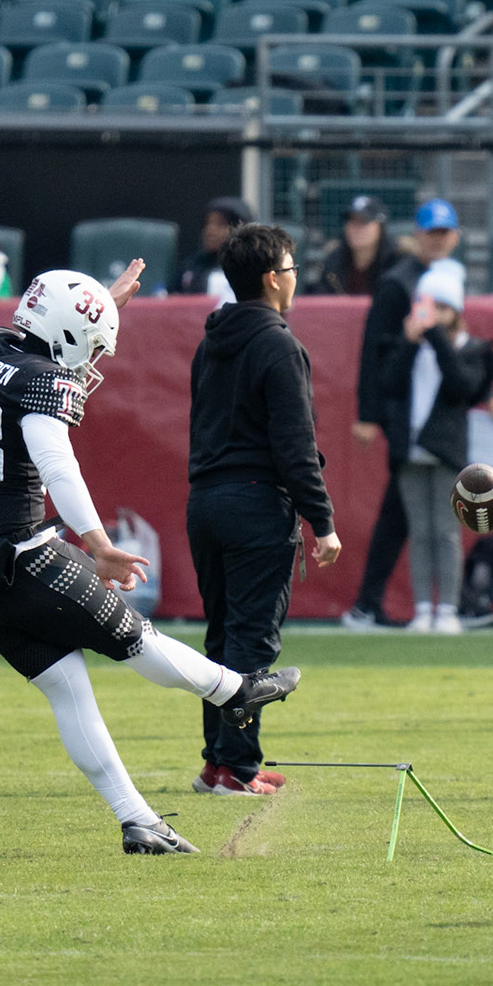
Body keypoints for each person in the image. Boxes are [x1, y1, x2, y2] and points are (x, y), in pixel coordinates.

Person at [0, 263, 300, 855]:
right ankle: (235, 690)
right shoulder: (41, 382)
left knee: (69, 692)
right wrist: (97, 543)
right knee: (138, 639)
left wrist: (99, 305)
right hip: (22, 558)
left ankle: (139, 821)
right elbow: (57, 465)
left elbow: (43, 347)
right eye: (90, 344)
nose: (91, 361)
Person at [187, 224, 339, 795]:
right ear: (274, 279)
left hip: (205, 502)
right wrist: (322, 522)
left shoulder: (209, 342)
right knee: (251, 640)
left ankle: (216, 763)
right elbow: (295, 446)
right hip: (255, 505)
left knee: (221, 638)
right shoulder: (280, 346)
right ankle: (236, 769)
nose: (296, 279)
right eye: (293, 269)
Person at [341, 198, 465, 631]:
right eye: (431, 233)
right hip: (406, 411)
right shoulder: (399, 282)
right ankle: (374, 604)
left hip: (436, 413)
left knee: (407, 512)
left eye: (444, 233)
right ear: (417, 235)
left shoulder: (450, 277)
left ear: (455, 237)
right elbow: (372, 348)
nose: (438, 240)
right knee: (408, 512)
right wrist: (369, 413)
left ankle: (377, 603)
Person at [380, 259, 493, 633]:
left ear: (456, 311)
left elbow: (461, 385)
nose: (434, 315)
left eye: (442, 308)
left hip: (447, 450)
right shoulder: (410, 345)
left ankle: (447, 608)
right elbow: (391, 383)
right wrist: (409, 342)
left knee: (446, 531)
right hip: (411, 450)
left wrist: (433, 337)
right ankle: (422, 608)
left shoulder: (470, 349)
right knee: (419, 532)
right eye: (429, 306)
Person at [307, 193, 403, 297]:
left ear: (380, 227)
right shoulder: (334, 261)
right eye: (351, 220)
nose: (355, 228)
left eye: (363, 221)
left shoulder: (397, 262)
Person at [176, 196, 252, 296]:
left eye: (220, 224)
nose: (210, 231)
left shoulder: (250, 268)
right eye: (207, 224)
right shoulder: (192, 266)